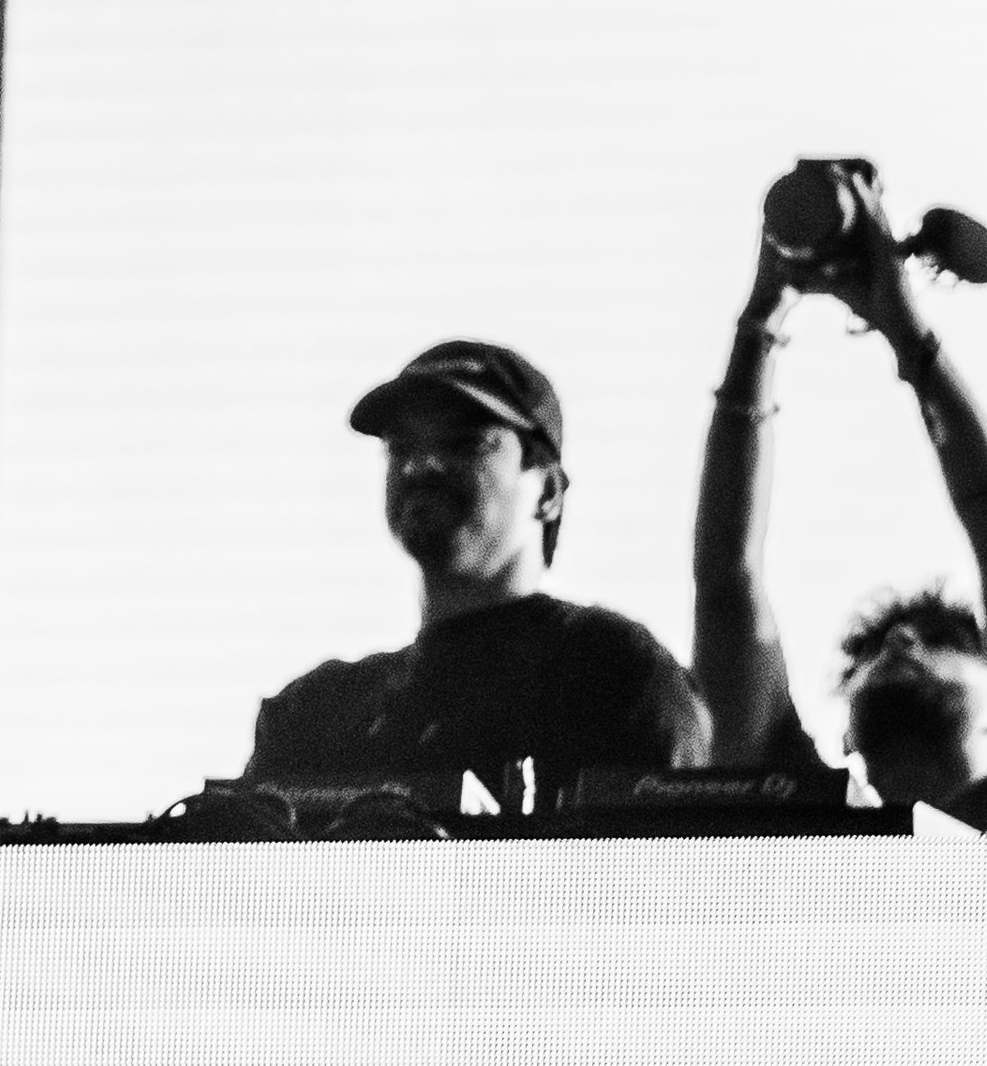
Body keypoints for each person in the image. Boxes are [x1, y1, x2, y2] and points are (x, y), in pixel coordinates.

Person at [691, 167, 987, 829]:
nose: (902, 639)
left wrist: (910, 336)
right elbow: (727, 581)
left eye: (939, 639)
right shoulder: (802, 806)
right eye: (876, 653)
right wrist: (759, 319)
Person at [244, 338, 708, 797]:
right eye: (401, 447)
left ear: (547, 493)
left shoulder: (609, 673)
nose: (421, 465)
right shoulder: (316, 712)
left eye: (466, 444)